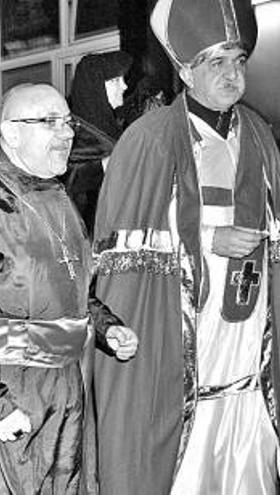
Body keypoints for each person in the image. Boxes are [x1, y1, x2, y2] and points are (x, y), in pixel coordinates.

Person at [93, 0, 280, 493]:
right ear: (185, 69)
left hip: (249, 347)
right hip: (183, 347)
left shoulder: (260, 136)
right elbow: (121, 253)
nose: (232, 74)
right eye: (217, 62)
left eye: (238, 61)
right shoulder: (149, 140)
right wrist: (204, 239)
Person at [0, 84, 138, 493]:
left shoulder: (60, 198)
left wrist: (107, 327)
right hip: (13, 387)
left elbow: (71, 289)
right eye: (49, 122)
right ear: (10, 134)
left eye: (67, 122)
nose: (66, 133)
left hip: (67, 386)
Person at [63, 51, 131, 237]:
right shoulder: (75, 138)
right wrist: (103, 166)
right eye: (116, 81)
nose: (124, 86)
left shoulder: (111, 128)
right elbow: (66, 186)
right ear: (96, 88)